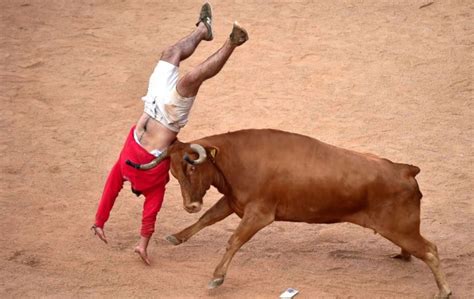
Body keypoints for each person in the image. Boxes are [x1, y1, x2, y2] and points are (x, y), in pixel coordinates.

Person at [91, 2, 248, 265]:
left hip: (151, 104)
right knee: (190, 80)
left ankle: (203, 30)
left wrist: (99, 221)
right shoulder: (155, 188)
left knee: (171, 52)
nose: (129, 185)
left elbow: (109, 191)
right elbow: (149, 216)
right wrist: (143, 245)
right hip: (169, 117)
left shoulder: (123, 169)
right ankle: (233, 42)